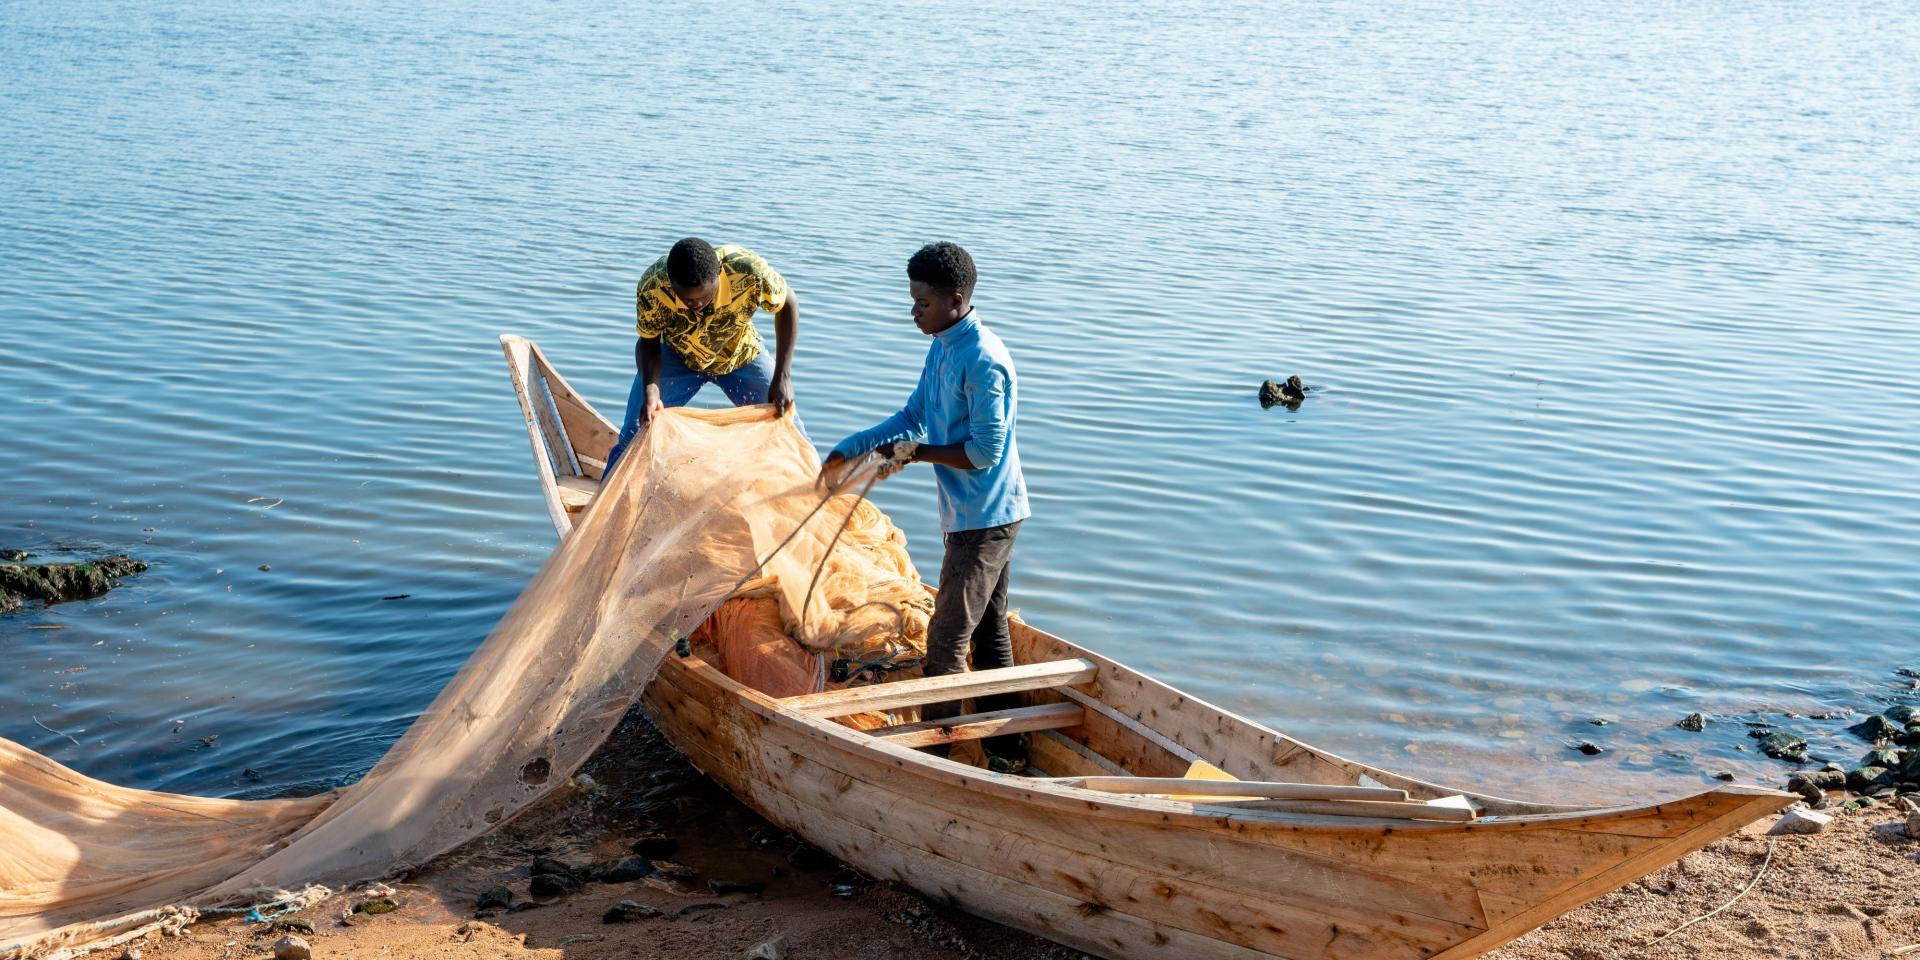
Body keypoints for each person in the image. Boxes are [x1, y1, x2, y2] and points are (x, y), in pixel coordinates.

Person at [819, 242, 1031, 771]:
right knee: (989, 629)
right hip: (975, 516)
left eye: (922, 303)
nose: (913, 311)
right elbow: (915, 413)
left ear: (955, 300)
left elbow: (985, 452)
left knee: (946, 640)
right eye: (913, 301)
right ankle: (1009, 750)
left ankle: (941, 756)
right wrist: (857, 445)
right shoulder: (942, 346)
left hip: (988, 519)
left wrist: (916, 455)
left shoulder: (983, 361)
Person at [605, 237, 804, 473]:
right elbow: (648, 342)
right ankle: (610, 502)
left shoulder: (748, 270)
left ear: (719, 273)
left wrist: (783, 376)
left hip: (739, 354)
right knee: (636, 432)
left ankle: (817, 497)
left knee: (786, 425)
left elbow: (788, 303)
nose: (697, 303)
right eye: (688, 300)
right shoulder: (653, 285)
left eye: (704, 297)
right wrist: (651, 387)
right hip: (678, 356)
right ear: (671, 282)